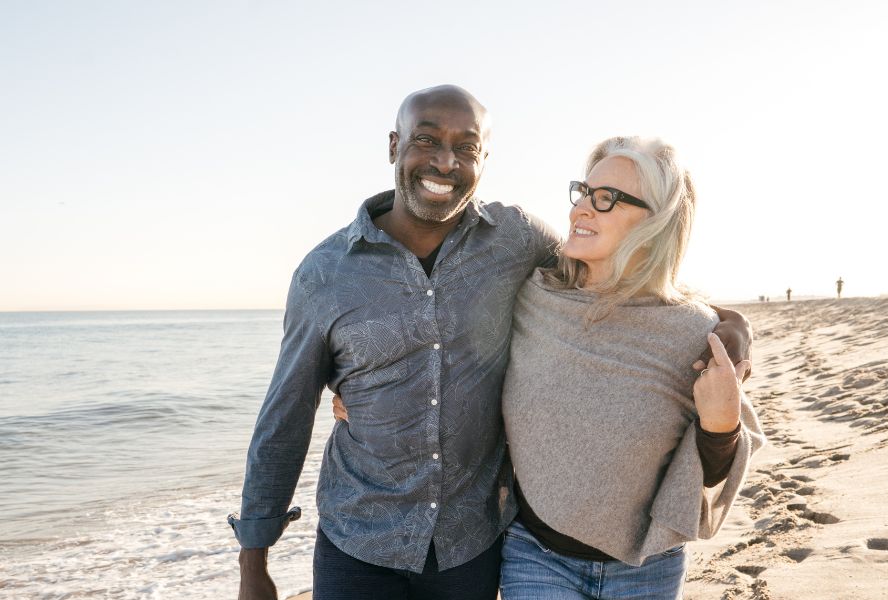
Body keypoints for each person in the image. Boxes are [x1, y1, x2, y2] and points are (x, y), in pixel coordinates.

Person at [232, 85, 754, 600]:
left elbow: (621, 276)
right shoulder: (324, 275)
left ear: (484, 159)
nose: (444, 162)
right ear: (395, 146)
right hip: (358, 540)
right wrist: (253, 561)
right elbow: (286, 414)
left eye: (466, 147)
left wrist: (731, 323)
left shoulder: (517, 239)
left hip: (470, 545)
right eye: (426, 140)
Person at [499, 137, 766, 599]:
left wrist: (721, 425)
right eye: (584, 191)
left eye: (606, 199)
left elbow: (705, 479)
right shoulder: (531, 299)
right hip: (534, 553)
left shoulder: (692, 333)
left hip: (648, 565)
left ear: (657, 221)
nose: (583, 207)